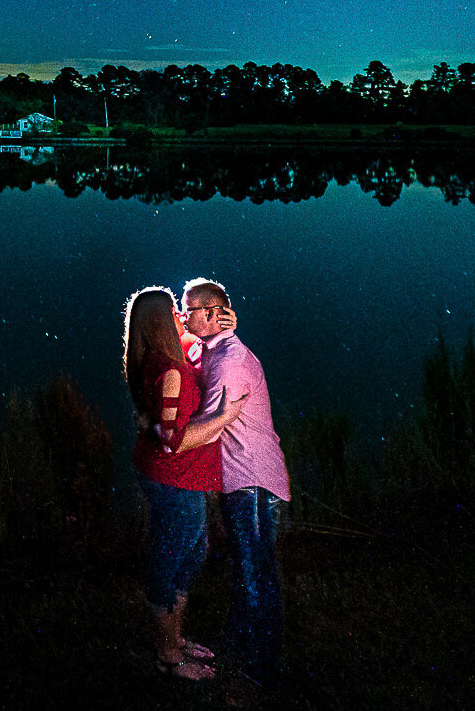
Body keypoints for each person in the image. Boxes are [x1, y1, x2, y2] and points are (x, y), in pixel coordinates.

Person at [123, 286, 247, 682]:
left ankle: (174, 639)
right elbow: (172, 442)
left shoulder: (161, 359)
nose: (182, 314)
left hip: (177, 478)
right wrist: (224, 418)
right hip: (175, 479)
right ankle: (168, 657)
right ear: (162, 322)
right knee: (171, 561)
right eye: (176, 311)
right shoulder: (170, 370)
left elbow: (198, 340)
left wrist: (224, 322)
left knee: (191, 554)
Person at [183, 278, 289, 701]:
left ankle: (259, 675)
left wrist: (162, 438)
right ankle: (239, 648)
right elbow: (185, 349)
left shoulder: (230, 361)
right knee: (249, 572)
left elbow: (208, 430)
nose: (183, 314)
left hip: (254, 484)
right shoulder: (215, 350)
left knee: (255, 577)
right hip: (243, 480)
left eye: (189, 309)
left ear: (210, 313)